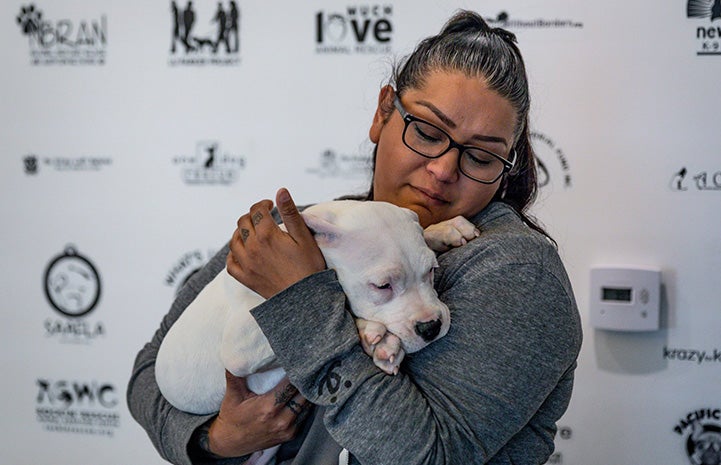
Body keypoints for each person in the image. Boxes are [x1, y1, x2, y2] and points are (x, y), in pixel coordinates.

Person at [128, 10, 582, 465]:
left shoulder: (515, 271)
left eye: (481, 157)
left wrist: (301, 301)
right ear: (383, 112)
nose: (443, 171)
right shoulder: (309, 227)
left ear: (506, 169)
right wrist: (216, 439)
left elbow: (426, 456)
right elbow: (149, 376)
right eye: (426, 132)